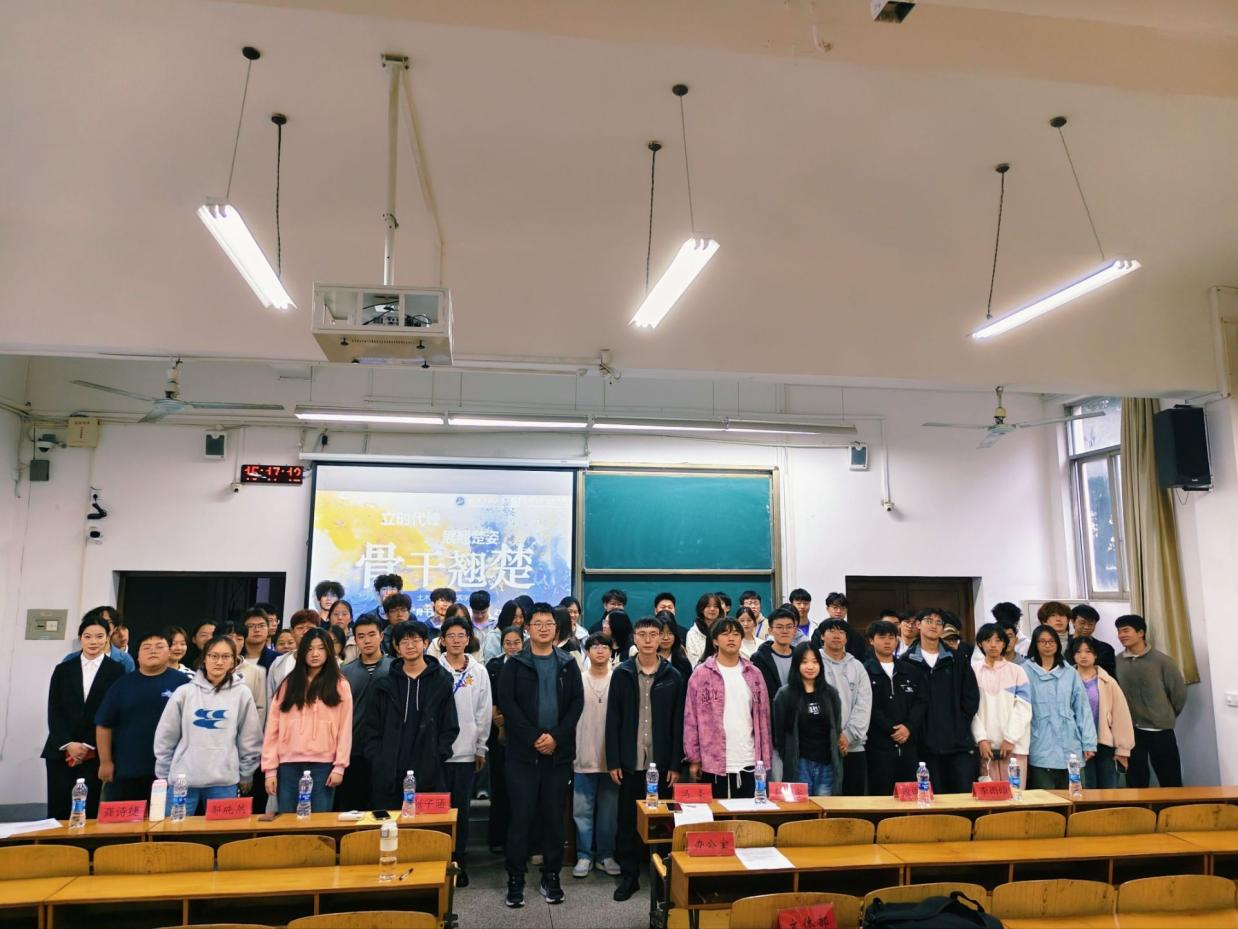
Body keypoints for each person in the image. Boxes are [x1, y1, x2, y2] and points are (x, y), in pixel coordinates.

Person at [497, 603, 584, 908]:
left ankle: (551, 875)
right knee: (521, 817)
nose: (544, 628)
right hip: (522, 755)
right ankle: (515, 878)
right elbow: (507, 704)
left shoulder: (567, 663)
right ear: (528, 628)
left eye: (549, 623)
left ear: (556, 629)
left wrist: (556, 737)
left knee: (553, 817)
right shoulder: (515, 664)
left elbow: (576, 704)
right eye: (537, 624)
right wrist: (534, 737)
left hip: (557, 755)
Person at [607, 616, 685, 902]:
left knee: (663, 822)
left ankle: (662, 877)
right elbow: (613, 719)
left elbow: (678, 723)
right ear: (635, 638)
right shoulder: (622, 673)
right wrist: (613, 760)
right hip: (630, 761)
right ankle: (629, 877)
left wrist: (675, 764)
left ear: (662, 637)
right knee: (627, 820)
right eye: (643, 634)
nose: (649, 639)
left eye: (654, 634)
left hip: (661, 763)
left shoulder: (673, 676)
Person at [154, 635, 264, 815]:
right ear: (204, 658)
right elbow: (166, 736)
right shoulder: (184, 692)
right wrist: (164, 774)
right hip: (183, 780)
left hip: (224, 781)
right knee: (174, 831)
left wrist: (246, 773)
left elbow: (250, 738)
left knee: (223, 831)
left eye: (225, 656)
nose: (219, 662)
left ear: (233, 661)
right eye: (213, 656)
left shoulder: (242, 693)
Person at [363, 620, 459, 809]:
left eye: (415, 640)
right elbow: (371, 727)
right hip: (390, 770)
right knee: (390, 822)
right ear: (397, 647)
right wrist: (378, 758)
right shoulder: (384, 685)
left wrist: (438, 754)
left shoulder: (441, 682)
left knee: (425, 825)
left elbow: (450, 725)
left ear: (425, 643)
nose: (410, 646)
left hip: (429, 769)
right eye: (404, 641)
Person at [262, 628, 353, 813]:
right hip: (288, 764)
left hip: (324, 766)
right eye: (310, 649)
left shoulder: (340, 685)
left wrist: (340, 766)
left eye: (321, 648)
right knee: (287, 821)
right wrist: (270, 770)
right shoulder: (288, 684)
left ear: (329, 651)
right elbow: (272, 728)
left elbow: (345, 728)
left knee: (318, 822)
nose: (315, 654)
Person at [44, 613, 126, 818]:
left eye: (99, 636)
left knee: (88, 810)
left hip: (96, 751)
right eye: (88, 636)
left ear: (107, 638)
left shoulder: (117, 670)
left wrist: (88, 745)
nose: (93, 642)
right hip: (61, 750)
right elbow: (54, 709)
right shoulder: (63, 669)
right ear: (80, 638)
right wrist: (68, 744)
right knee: (59, 808)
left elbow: (113, 712)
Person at [683, 618, 773, 799]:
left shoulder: (754, 673)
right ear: (715, 640)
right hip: (712, 761)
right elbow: (691, 719)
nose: (731, 638)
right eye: (725, 634)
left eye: (736, 634)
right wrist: (694, 758)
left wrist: (765, 757)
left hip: (749, 759)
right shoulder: (701, 674)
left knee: (749, 814)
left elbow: (764, 719)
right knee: (716, 814)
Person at [902, 608, 980, 794]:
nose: (934, 626)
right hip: (922, 743)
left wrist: (960, 722)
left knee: (962, 797)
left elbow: (971, 695)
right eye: (929, 621)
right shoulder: (907, 661)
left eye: (939, 622)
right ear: (918, 625)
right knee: (929, 797)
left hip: (957, 742)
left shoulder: (957, 658)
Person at [439, 614, 491, 887]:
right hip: (437, 755)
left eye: (461, 635)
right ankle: (439, 861)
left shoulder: (478, 671)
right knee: (437, 811)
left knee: (461, 811)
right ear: (442, 640)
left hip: (467, 752)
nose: (456, 640)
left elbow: (483, 712)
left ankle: (459, 862)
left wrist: (481, 747)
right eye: (451, 636)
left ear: (468, 639)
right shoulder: (433, 669)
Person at [1113, 614, 1186, 788]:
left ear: (1140, 633)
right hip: (1131, 731)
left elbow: (1178, 695)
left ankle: (1173, 806)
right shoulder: (1116, 662)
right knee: (1135, 781)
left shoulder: (1162, 661)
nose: (1121, 635)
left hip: (1160, 730)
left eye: (1126, 630)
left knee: (1170, 779)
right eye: (1119, 631)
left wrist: (1164, 714)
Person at [1024, 623, 1096, 789]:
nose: (1047, 645)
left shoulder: (1070, 672)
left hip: (1070, 744)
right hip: (1039, 743)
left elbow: (1082, 709)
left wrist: (1089, 743)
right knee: (1045, 798)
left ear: (1058, 644)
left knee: (1075, 795)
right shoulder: (1024, 671)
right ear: (1035, 644)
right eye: (1042, 641)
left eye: (1051, 641)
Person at [573, 633, 619, 882]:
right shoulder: (578, 680)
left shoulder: (618, 679)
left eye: (604, 646)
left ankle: (605, 855)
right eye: (594, 647)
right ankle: (584, 855)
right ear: (587, 651)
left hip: (611, 759)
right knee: (582, 810)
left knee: (609, 811)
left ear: (611, 651)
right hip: (583, 753)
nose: (600, 650)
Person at [771, 641, 843, 796]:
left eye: (814, 662)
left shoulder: (831, 693)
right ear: (796, 664)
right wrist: (789, 756)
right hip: (799, 764)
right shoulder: (785, 695)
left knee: (825, 807)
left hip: (827, 764)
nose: (810, 666)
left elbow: (836, 727)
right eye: (804, 662)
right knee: (801, 807)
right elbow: (779, 735)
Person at [864, 619, 927, 796]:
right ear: (871, 640)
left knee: (910, 794)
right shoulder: (864, 670)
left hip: (909, 743)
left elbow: (921, 701)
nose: (887, 641)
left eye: (891, 637)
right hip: (879, 744)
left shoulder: (910, 670)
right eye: (882, 637)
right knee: (881, 795)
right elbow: (867, 705)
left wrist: (908, 726)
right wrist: (892, 729)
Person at [337, 616, 391, 812]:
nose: (367, 641)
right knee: (354, 807)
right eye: (361, 636)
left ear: (381, 636)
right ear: (355, 640)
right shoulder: (345, 672)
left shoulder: (395, 668)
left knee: (383, 808)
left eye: (371, 635)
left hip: (386, 749)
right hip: (354, 749)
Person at [815, 618, 872, 795]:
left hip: (853, 747)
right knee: (824, 802)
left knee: (853, 803)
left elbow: (864, 705)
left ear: (847, 638)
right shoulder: (813, 664)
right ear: (822, 636)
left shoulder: (857, 666)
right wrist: (833, 736)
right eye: (832, 631)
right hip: (821, 747)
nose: (837, 635)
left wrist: (848, 736)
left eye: (841, 632)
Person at [970, 623, 1032, 784]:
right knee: (988, 795)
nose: (993, 645)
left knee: (1015, 794)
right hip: (984, 748)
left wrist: (1010, 738)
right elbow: (970, 710)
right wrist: (981, 739)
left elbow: (1024, 708)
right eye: (988, 640)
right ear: (980, 644)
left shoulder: (1017, 671)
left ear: (1004, 644)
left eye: (998, 640)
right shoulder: (972, 671)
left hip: (1014, 747)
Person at [1070, 636, 1134, 789]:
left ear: (1095, 655)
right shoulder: (1067, 680)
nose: (1083, 656)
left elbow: (1121, 715)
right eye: (1078, 652)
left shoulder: (1108, 681)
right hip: (1077, 745)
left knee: (1108, 790)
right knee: (1085, 789)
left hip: (1104, 743)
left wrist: (1123, 748)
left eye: (1088, 651)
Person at [486, 626, 525, 853]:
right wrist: (498, 721)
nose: (512, 647)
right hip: (497, 728)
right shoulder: (493, 666)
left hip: (522, 731)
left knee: (520, 788)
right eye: (508, 643)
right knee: (499, 785)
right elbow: (489, 696)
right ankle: (498, 838)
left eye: (516, 642)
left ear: (523, 643)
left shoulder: (529, 663)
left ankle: (520, 840)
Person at [751, 606, 800, 714]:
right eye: (779, 627)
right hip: (771, 715)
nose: (784, 631)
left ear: (795, 630)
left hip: (798, 716)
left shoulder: (801, 657)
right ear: (770, 631)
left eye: (789, 627)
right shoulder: (758, 659)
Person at [61, 606, 135, 673]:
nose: (101, 625)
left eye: (106, 621)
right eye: (94, 622)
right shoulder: (70, 659)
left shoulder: (125, 660)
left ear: (115, 627)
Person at [267, 610, 320, 701]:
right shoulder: (279, 662)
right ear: (292, 632)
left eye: (310, 628)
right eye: (300, 628)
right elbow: (270, 696)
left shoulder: (328, 661)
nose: (305, 632)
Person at [811, 592, 867, 662]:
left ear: (846, 610)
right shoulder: (819, 632)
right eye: (835, 607)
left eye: (842, 608)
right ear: (827, 609)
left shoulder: (856, 635)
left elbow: (860, 659)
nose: (839, 611)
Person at [1068, 605, 1116, 677]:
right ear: (1073, 621)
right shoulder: (1062, 644)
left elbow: (1110, 676)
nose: (1086, 627)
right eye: (1082, 623)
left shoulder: (1105, 649)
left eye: (1091, 624)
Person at [684, 593, 722, 666]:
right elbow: (693, 661)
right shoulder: (693, 633)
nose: (712, 609)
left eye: (716, 606)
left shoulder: (724, 631)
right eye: (708, 606)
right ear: (701, 609)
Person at [656, 613, 694, 684]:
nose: (666, 638)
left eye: (670, 633)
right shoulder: (648, 661)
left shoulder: (684, 663)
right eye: (661, 633)